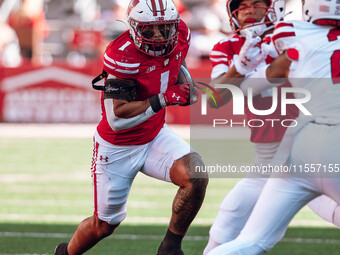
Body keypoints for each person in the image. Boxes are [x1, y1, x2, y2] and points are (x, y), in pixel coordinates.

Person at [54, 1, 208, 255]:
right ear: (135, 29)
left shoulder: (181, 34)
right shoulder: (122, 54)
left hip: (154, 134)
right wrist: (166, 97)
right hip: (118, 145)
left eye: (165, 29)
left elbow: (176, 61)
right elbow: (117, 118)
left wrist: (186, 83)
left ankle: (170, 248)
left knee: (196, 175)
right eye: (150, 31)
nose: (159, 36)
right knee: (103, 226)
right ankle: (65, 253)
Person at [204, 0, 340, 254]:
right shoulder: (228, 46)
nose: (248, 9)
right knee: (229, 219)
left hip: (302, 145)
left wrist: (243, 72)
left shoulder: (291, 35)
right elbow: (213, 100)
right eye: (241, 5)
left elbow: (268, 76)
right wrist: (240, 66)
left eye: (257, 3)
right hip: (277, 155)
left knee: (247, 234)